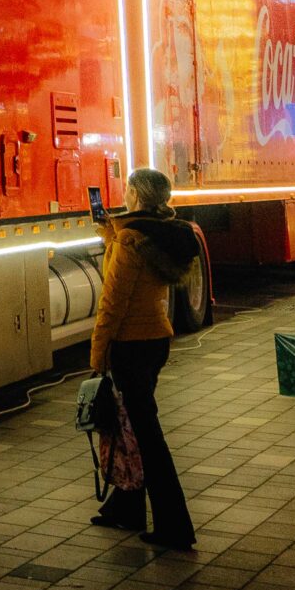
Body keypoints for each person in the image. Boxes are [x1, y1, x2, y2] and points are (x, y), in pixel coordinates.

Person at [89, 167, 200, 551]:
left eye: (128, 190)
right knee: (132, 428)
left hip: (130, 345)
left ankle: (175, 525)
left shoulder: (130, 242)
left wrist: (98, 353)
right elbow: (135, 261)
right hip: (155, 340)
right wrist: (110, 235)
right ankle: (127, 507)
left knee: (146, 436)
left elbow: (112, 304)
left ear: (136, 196)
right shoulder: (158, 235)